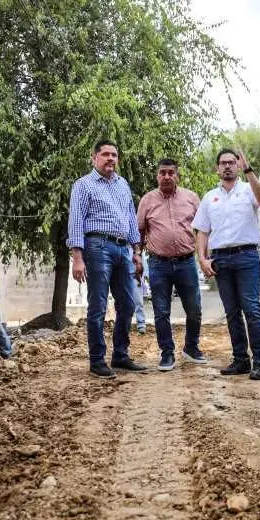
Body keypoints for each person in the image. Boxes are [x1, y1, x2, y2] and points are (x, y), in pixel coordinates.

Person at [67, 139, 148, 378]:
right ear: (94, 158)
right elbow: (76, 222)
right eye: (105, 154)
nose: (110, 158)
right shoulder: (83, 185)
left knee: (128, 303)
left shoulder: (123, 185)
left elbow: (132, 220)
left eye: (114, 155)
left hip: (123, 250)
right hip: (97, 246)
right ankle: (97, 360)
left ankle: (120, 355)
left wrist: (136, 252)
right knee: (98, 306)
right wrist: (77, 258)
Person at [193, 148, 260, 380]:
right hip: (221, 260)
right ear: (217, 168)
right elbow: (202, 231)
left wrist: (249, 169)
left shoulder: (248, 190)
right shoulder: (209, 197)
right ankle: (240, 360)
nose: (227, 166)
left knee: (252, 310)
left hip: (246, 257)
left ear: (238, 166)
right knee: (232, 313)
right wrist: (203, 258)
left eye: (232, 162)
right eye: (223, 163)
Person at [137, 158, 207, 371]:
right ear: (157, 176)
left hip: (187, 263)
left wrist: (205, 256)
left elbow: (203, 229)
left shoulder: (192, 198)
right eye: (162, 173)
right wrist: (137, 257)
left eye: (170, 173)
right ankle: (167, 353)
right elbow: (139, 232)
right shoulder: (147, 200)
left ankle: (191, 347)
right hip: (159, 264)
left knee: (194, 309)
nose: (166, 176)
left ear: (177, 175)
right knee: (161, 312)